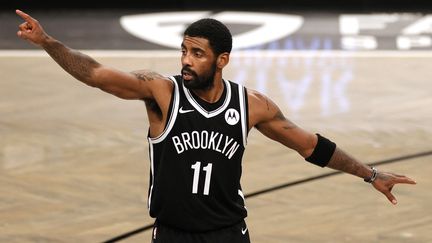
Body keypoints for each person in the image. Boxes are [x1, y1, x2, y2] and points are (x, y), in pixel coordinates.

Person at [16, 9, 416, 243]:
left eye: (197, 53)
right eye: (184, 51)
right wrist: (50, 42)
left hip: (228, 235)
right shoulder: (161, 92)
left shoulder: (251, 105)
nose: (186, 60)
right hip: (172, 234)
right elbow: (96, 74)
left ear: (222, 60)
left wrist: (370, 173)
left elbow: (310, 146)